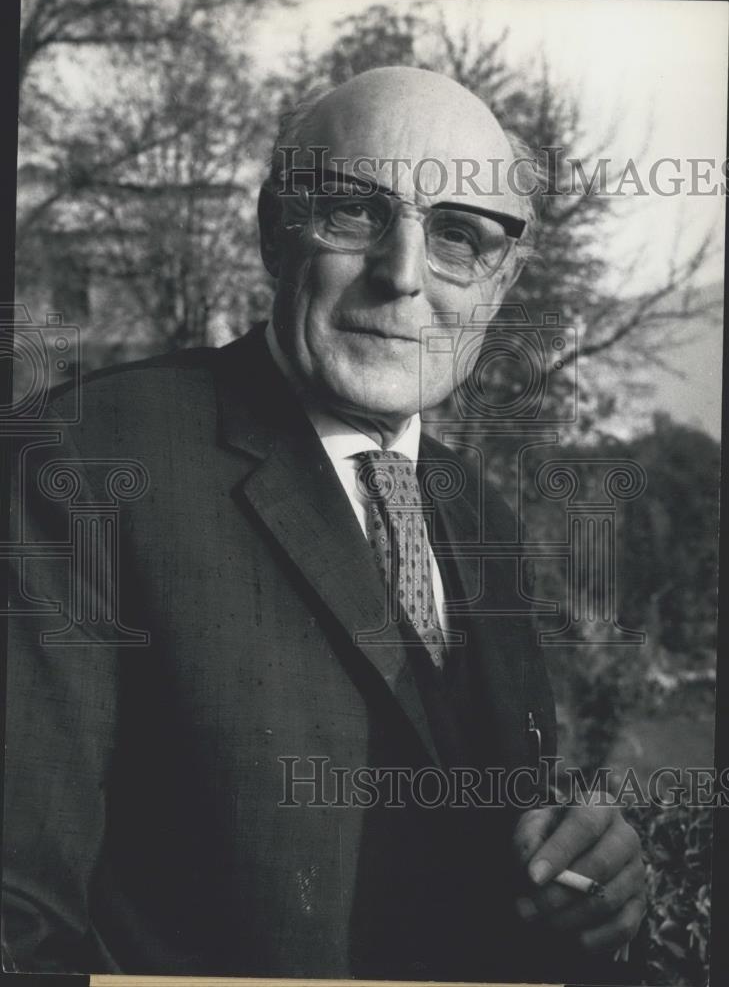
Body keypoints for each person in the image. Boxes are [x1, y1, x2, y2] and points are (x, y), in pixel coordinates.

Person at [3, 66, 647, 982]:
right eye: (354, 213)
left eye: (459, 236)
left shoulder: (478, 512)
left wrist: (584, 895)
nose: (402, 276)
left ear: (501, 281)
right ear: (275, 232)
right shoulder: (78, 458)